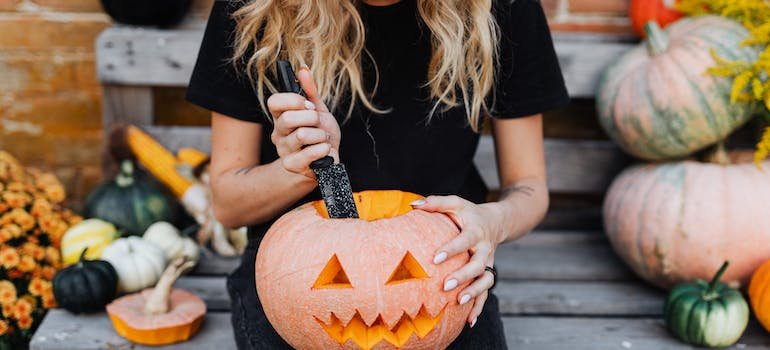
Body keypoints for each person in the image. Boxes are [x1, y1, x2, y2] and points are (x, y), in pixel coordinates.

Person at [186, 0, 568, 348]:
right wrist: (300, 168)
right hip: (297, 276)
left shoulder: (501, 8)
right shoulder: (255, 10)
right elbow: (227, 204)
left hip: (443, 274)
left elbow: (529, 187)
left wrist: (492, 222)